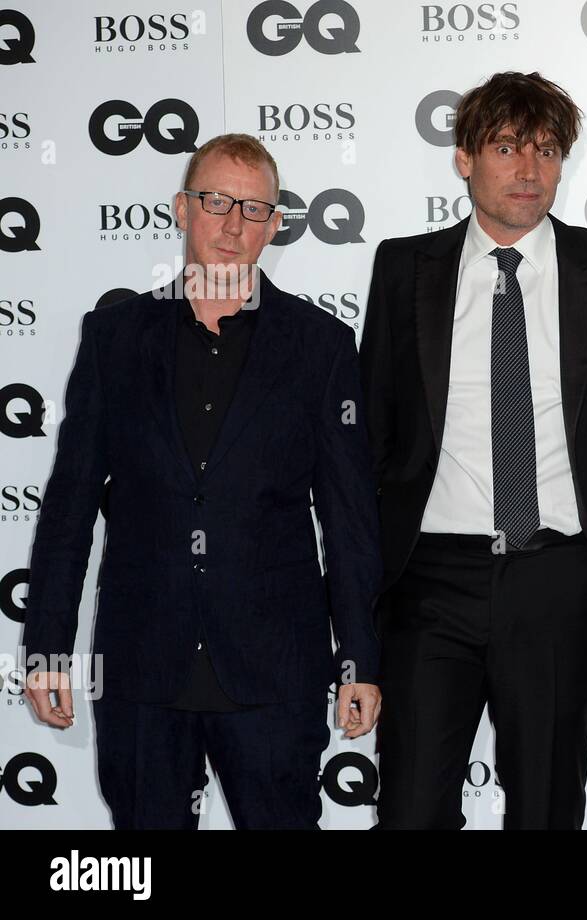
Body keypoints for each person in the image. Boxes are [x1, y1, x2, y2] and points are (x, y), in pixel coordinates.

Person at [22, 133, 382, 829]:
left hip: (274, 670)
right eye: (216, 202)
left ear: (277, 224)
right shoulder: (114, 339)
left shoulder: (321, 346)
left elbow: (348, 519)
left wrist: (359, 658)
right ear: (182, 209)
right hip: (142, 669)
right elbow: (68, 510)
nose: (233, 224)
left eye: (253, 208)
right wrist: (46, 647)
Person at [361, 71, 587, 829]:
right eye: (506, 147)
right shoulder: (404, 270)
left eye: (547, 150)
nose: (529, 170)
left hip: (557, 575)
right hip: (429, 581)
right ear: (465, 158)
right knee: (408, 811)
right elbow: (375, 432)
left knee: (545, 808)